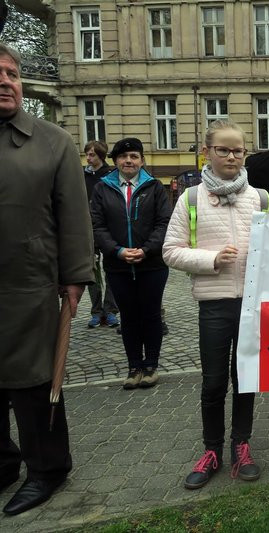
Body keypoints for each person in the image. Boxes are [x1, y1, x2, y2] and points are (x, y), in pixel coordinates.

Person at [0, 43, 94, 516]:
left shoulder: (51, 140)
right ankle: (3, 464)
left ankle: (48, 469)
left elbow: (74, 215)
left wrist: (76, 277)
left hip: (29, 287)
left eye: (12, 73)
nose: (6, 81)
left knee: (34, 384)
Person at [164, 119, 269, 489]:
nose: (231, 156)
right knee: (213, 383)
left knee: (245, 380)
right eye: (222, 150)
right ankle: (212, 450)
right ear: (207, 151)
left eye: (238, 150)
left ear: (246, 153)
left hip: (251, 305)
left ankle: (242, 444)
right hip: (213, 305)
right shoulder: (191, 198)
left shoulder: (260, 198)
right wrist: (210, 260)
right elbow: (171, 251)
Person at [91, 137, 171, 390]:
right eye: (124, 157)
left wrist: (146, 250)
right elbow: (97, 225)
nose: (129, 161)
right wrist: (117, 251)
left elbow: (163, 222)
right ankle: (134, 366)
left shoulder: (155, 187)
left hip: (152, 265)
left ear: (142, 160)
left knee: (151, 315)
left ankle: (151, 366)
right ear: (115, 161)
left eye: (134, 156)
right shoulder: (103, 188)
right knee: (129, 317)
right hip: (118, 265)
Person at [84, 140, 119, 329]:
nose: (88, 158)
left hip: (108, 229)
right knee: (93, 272)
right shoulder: (83, 175)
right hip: (88, 229)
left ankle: (110, 311)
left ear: (101, 156)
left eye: (92, 155)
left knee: (111, 270)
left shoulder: (110, 176)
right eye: (87, 154)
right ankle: (96, 311)